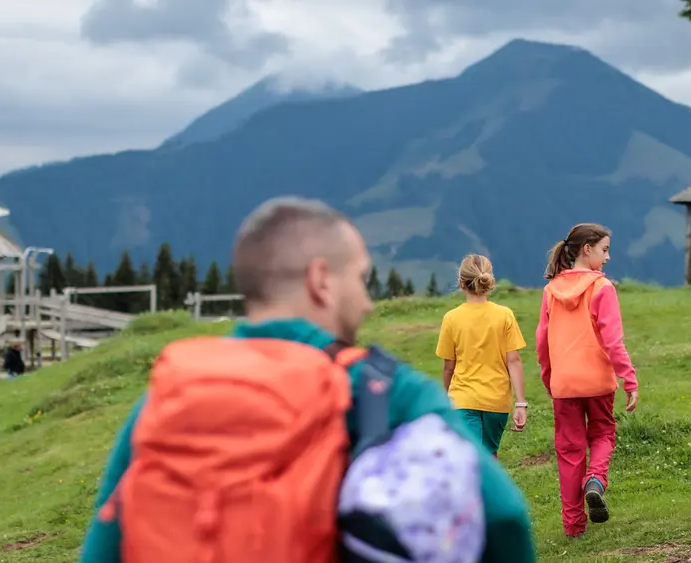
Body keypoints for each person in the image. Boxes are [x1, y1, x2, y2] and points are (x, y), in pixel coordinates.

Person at [79, 197, 535, 563]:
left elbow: (104, 546)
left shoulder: (170, 395)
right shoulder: (384, 390)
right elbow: (504, 517)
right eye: (359, 279)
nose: (368, 303)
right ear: (321, 280)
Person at [535, 223, 639, 538]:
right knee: (604, 434)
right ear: (587, 249)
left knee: (568, 451)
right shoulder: (602, 287)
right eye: (605, 250)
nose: (608, 257)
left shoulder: (550, 290)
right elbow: (612, 339)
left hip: (564, 383)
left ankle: (573, 526)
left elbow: (542, 341)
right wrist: (629, 379)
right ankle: (595, 480)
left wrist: (550, 377)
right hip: (598, 381)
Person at [435, 254, 528, 459]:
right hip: (497, 402)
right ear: (490, 282)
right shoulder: (505, 315)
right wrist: (520, 403)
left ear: (461, 284)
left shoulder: (451, 318)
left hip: (463, 399)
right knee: (489, 456)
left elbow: (448, 367)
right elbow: (513, 360)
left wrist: (444, 399)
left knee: (469, 459)